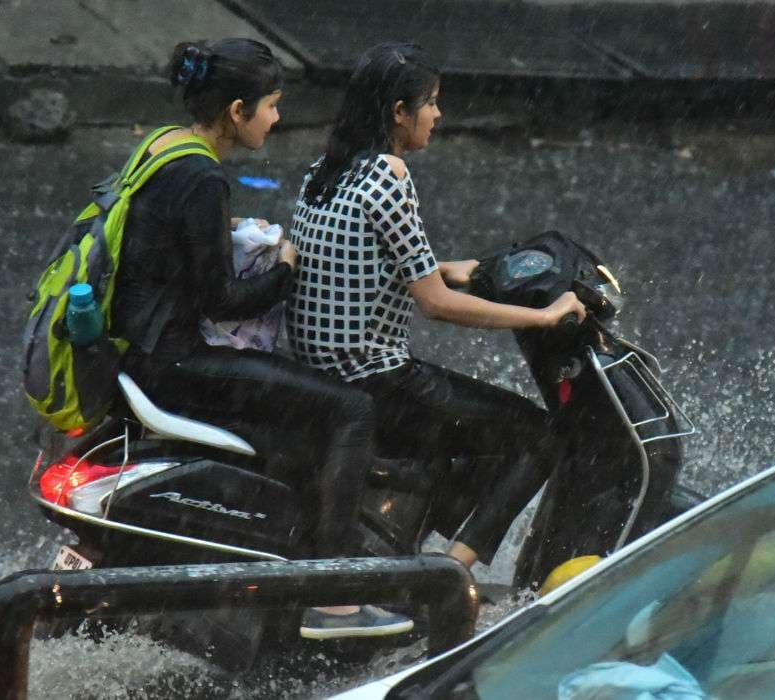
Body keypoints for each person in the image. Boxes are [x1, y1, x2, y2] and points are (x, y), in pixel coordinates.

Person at [112, 38, 411, 639]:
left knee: (296, 419)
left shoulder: (164, 146)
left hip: (138, 349)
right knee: (351, 408)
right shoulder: (201, 176)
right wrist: (286, 269)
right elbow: (219, 298)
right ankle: (334, 598)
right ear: (237, 110)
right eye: (271, 106)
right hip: (174, 363)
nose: (277, 119)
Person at [287, 42, 587, 572]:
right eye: (429, 103)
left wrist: (459, 268)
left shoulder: (325, 170)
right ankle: (449, 577)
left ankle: (416, 546)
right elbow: (437, 305)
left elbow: (365, 261)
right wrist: (542, 317)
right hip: (373, 378)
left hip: (322, 375)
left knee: (470, 427)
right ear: (398, 113)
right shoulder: (389, 176)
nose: (438, 114)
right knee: (539, 434)